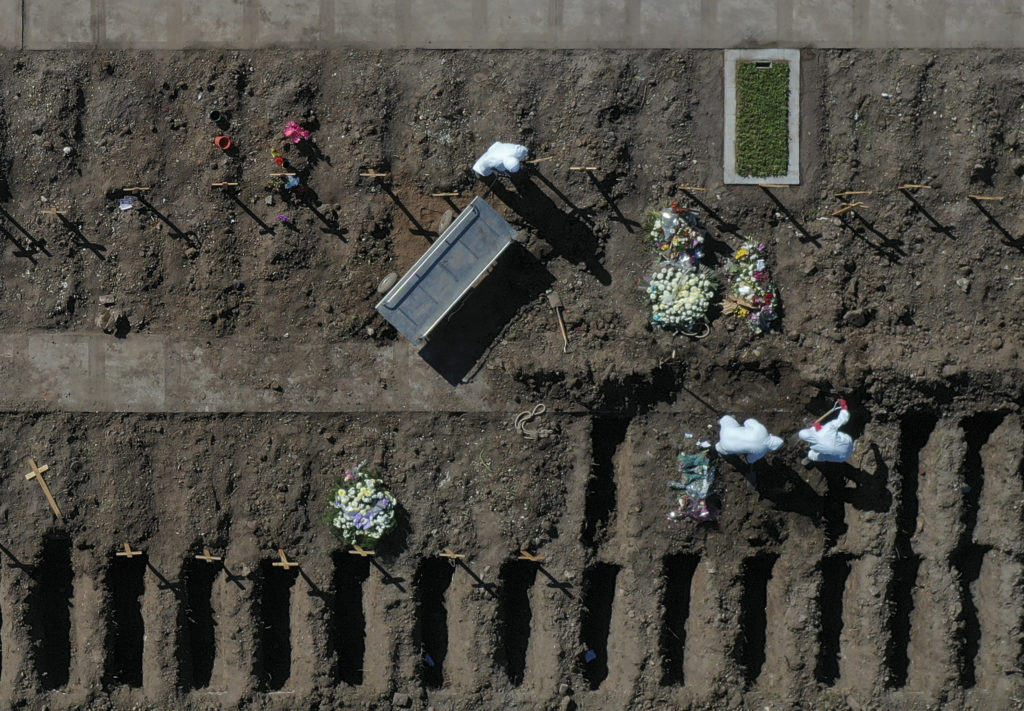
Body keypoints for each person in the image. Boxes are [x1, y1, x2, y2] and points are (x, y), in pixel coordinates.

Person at [798, 399, 854, 463]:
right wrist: (844, 408)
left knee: (813, 454)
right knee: (829, 437)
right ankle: (811, 427)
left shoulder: (814, 447)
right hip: (848, 442)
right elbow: (842, 420)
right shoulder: (828, 428)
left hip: (842, 456)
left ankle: (810, 457)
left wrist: (817, 428)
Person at [715, 415, 784, 463]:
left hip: (727, 431)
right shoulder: (761, 452)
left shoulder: (762, 430)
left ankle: (721, 421)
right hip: (726, 445)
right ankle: (717, 447)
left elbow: (748, 421)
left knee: (727, 418)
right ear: (772, 448)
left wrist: (746, 429)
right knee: (721, 448)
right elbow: (750, 459)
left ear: (772, 436)